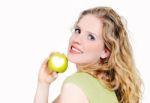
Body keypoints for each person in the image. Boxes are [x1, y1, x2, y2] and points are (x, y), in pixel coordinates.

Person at [34, 6, 142, 103]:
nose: (77, 39)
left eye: (91, 37)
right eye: (77, 30)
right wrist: (43, 83)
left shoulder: (75, 86)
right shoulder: (104, 86)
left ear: (106, 51)